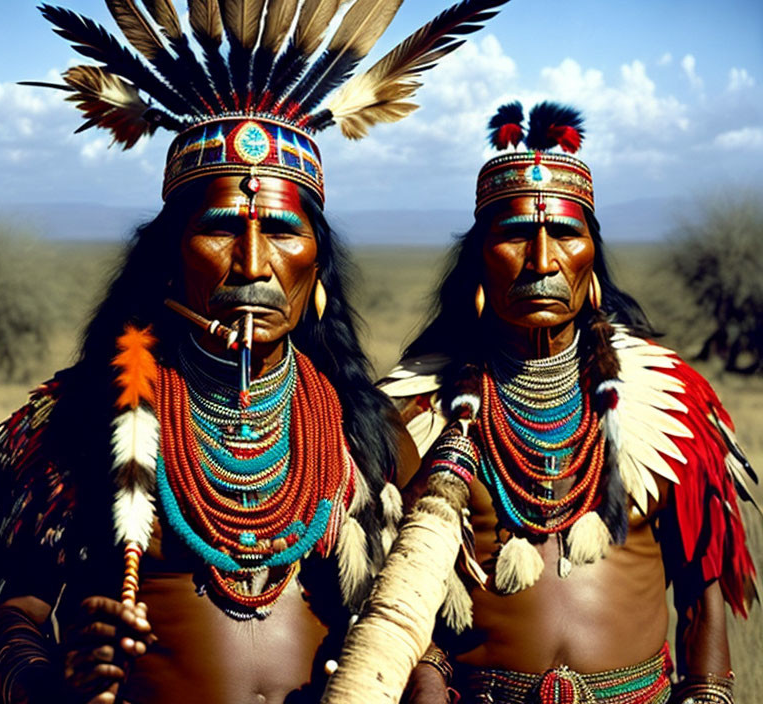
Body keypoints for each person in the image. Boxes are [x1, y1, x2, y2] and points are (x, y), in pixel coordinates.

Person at [0, 1, 509, 702]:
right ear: (168, 261)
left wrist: (424, 678)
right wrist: (52, 678)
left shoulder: (366, 433)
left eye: (283, 231)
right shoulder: (78, 422)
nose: (252, 262)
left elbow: (414, 619)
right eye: (221, 228)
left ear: (317, 269)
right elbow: (14, 610)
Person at [322, 101, 759, 704]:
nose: (543, 260)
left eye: (566, 234)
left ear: (591, 259)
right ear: (480, 263)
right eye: (515, 235)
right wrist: (426, 673)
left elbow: (702, 587)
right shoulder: (417, 414)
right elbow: (398, 591)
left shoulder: (668, 404)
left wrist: (707, 695)